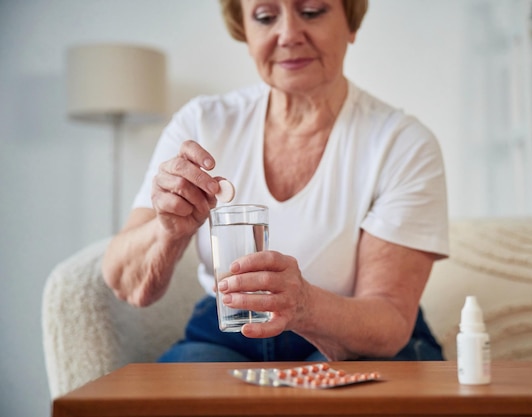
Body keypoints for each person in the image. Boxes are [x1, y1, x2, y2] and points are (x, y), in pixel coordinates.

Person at [102, 0, 449, 363]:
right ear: (245, 32)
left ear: (351, 22)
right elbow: (127, 285)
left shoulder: (402, 144)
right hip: (227, 335)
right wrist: (168, 231)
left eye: (312, 11)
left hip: (353, 340)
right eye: (265, 17)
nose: (288, 34)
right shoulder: (201, 123)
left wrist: (305, 306)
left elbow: (388, 322)